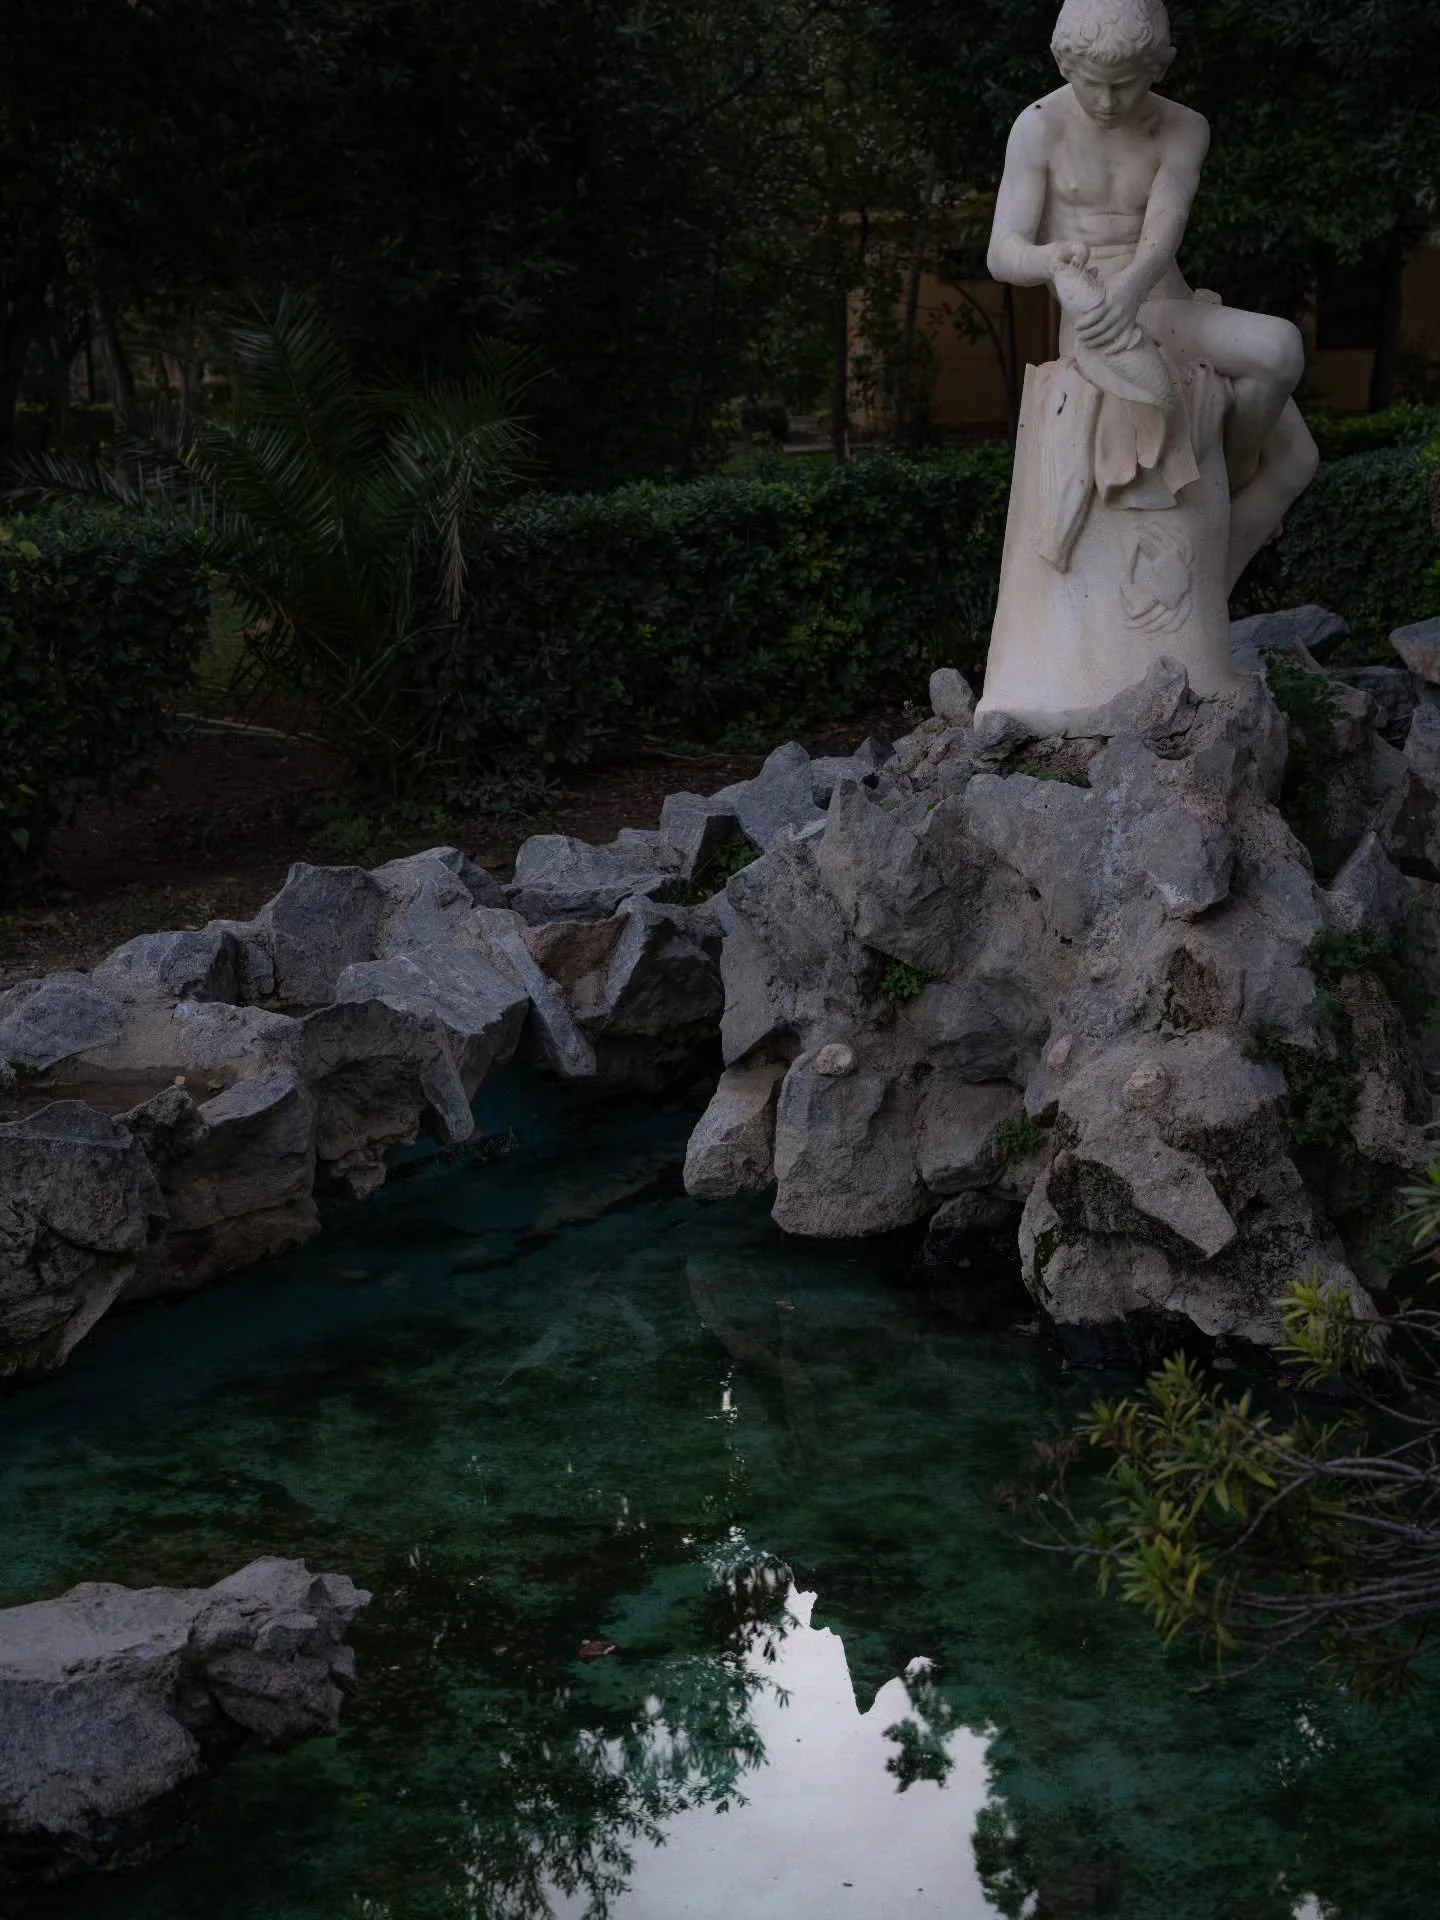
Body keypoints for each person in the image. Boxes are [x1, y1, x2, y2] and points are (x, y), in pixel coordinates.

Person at [986, 0, 1318, 586]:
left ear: (1157, 68)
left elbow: (1163, 234)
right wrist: (1050, 259)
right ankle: (1235, 476)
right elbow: (1001, 253)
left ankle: (1208, 589)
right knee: (1280, 347)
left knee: (1297, 460)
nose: (1108, 103)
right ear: (1065, 65)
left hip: (1161, 301)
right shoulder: (1038, 126)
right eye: (1094, 85)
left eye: (1126, 86)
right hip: (1100, 328)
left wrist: (1131, 289)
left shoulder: (1183, 126)